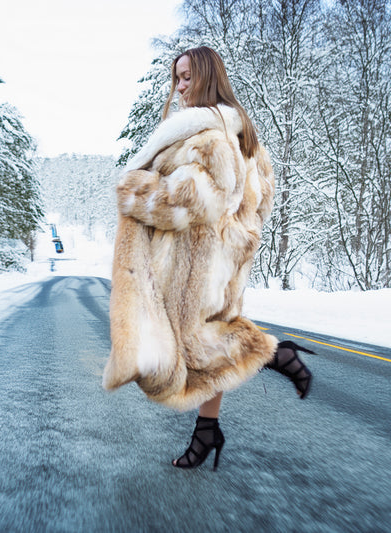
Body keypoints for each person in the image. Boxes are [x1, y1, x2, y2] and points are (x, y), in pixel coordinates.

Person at [103, 46, 313, 470]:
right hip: (218, 265)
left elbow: (192, 200)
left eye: (186, 77)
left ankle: (273, 355)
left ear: (206, 77)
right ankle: (207, 432)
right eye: (176, 78)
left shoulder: (209, 135)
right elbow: (262, 198)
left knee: (180, 354)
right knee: (203, 354)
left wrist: (132, 190)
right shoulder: (239, 133)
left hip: (195, 268)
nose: (179, 87)